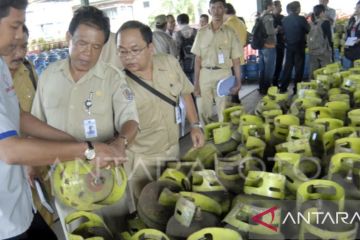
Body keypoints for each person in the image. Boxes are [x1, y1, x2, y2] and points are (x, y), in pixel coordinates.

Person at [0, 1, 121, 239]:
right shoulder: (50, 75)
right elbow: (9, 150)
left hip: (18, 203)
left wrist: (74, 142)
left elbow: (18, 116)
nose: (18, 37)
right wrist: (85, 151)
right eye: (15, 26)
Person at [31, 6, 139, 234]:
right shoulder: (48, 76)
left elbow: (130, 120)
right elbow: (35, 124)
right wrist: (31, 164)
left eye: (96, 47)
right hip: (64, 181)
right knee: (79, 233)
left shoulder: (112, 78)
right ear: (68, 38)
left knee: (116, 231)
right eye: (81, 43)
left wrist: (121, 142)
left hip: (107, 177)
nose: (87, 53)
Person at [116, 20, 205, 200]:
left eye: (135, 50)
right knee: (149, 209)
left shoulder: (169, 63)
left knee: (173, 198)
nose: (128, 57)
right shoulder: (118, 83)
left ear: (150, 48)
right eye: (122, 51)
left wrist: (195, 124)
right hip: (141, 159)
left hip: (173, 149)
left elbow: (185, 93)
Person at [191, 0, 242, 124]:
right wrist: (196, 84)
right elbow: (197, 60)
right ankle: (206, 134)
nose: (216, 11)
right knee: (203, 109)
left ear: (224, 10)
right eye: (213, 8)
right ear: (209, 11)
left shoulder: (230, 33)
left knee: (223, 110)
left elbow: (236, 60)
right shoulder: (201, 33)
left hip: (224, 74)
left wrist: (238, 82)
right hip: (205, 74)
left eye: (220, 8)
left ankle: (222, 135)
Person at [279, 1, 309, 94]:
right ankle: (297, 88)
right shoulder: (301, 19)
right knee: (299, 68)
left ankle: (283, 88)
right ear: (297, 9)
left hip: (289, 46)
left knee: (287, 68)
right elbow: (308, 29)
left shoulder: (284, 20)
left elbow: (282, 32)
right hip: (300, 47)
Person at [258, 0, 276, 95]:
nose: (274, 6)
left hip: (262, 46)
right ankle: (267, 89)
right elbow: (269, 31)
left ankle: (261, 88)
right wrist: (276, 29)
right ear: (269, 6)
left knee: (262, 69)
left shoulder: (261, 16)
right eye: (273, 4)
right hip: (269, 45)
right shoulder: (268, 17)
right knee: (269, 69)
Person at [308, 4, 333, 78]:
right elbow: (329, 38)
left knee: (313, 70)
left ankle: (312, 86)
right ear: (322, 12)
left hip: (312, 50)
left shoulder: (312, 23)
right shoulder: (325, 22)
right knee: (326, 70)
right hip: (323, 50)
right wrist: (331, 50)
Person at [174, 13, 197, 83]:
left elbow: (176, 50)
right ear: (188, 20)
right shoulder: (196, 32)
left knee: (187, 88)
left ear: (178, 22)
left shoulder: (177, 34)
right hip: (196, 63)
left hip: (183, 64)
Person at [272, 0, 285, 87]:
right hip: (271, 45)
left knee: (279, 64)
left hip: (280, 44)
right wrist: (277, 30)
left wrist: (280, 29)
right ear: (274, 7)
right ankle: (266, 84)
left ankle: (275, 82)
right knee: (271, 65)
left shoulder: (282, 17)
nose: (281, 8)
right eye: (279, 6)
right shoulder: (269, 17)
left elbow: (284, 29)